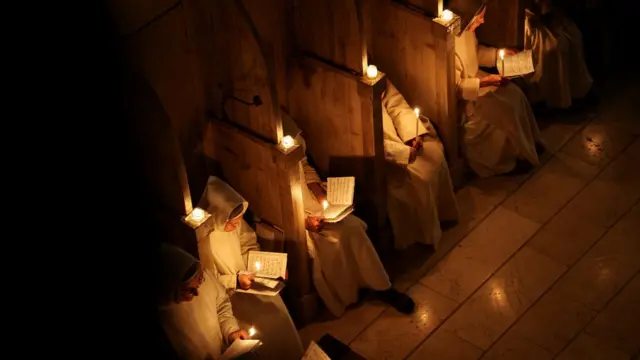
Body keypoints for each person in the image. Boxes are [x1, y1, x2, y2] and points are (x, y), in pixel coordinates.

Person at [298, 134, 416, 317]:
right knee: (347, 231)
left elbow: (304, 166)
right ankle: (366, 288)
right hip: (297, 214)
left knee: (359, 215)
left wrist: (321, 196)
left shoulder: (288, 126)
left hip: (313, 200)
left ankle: (379, 283)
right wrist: (305, 221)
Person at [197, 176, 304, 360]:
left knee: (278, 311)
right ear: (219, 215)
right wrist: (235, 280)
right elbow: (209, 280)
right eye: (233, 222)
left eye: (239, 221)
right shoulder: (204, 236)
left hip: (248, 282)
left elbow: (248, 245)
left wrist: (268, 268)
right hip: (229, 295)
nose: (237, 225)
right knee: (265, 324)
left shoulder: (235, 223)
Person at [451, 0, 544, 177]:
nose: (482, 21)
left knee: (515, 94)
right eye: (479, 17)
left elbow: (476, 53)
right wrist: (485, 82)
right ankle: (506, 160)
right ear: (467, 16)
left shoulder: (468, 32)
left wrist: (498, 54)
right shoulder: (448, 42)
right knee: (505, 108)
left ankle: (528, 144)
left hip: (478, 79)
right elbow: (456, 88)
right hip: (467, 97)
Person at [381, 79, 459, 250]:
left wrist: (412, 134)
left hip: (402, 139)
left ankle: (441, 215)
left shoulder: (375, 77)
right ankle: (422, 234)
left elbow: (397, 105)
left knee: (434, 155)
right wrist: (401, 152)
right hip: (385, 156)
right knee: (419, 179)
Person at [155, 243, 249, 360]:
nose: (197, 293)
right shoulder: (161, 313)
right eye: (189, 290)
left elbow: (221, 306)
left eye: (200, 279)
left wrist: (231, 331)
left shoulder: (204, 278)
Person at [524, 0, 593, 109]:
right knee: (555, 46)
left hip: (552, 20)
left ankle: (574, 93)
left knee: (575, 37)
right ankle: (548, 97)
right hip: (537, 22)